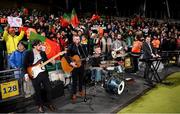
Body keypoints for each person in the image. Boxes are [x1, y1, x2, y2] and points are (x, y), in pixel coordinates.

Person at [23, 39, 56, 113]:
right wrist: (26, 74)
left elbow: (46, 62)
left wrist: (52, 62)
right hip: (34, 73)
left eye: (41, 44)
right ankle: (40, 105)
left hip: (43, 73)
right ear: (34, 46)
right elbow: (24, 65)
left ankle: (50, 103)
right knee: (37, 91)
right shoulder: (28, 53)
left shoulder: (43, 53)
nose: (41, 46)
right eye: (39, 45)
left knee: (49, 89)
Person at [64, 35, 88, 103]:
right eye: (76, 39)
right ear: (73, 40)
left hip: (81, 65)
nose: (78, 40)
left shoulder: (82, 46)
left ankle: (80, 90)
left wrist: (86, 58)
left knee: (81, 79)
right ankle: (74, 93)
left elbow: (85, 54)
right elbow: (66, 56)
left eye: (78, 39)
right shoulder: (71, 46)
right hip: (74, 66)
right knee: (74, 81)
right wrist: (71, 63)